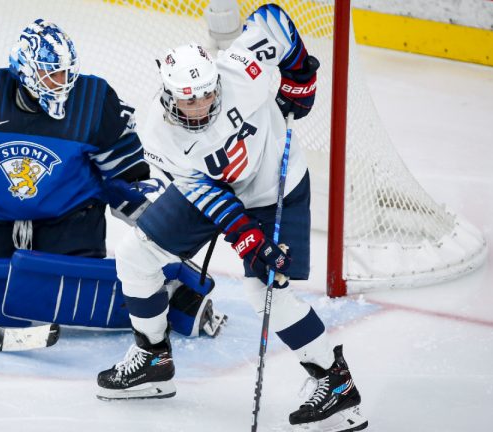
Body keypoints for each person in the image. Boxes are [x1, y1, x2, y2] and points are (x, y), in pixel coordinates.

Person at [95, 4, 367, 431]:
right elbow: (205, 193)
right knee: (135, 255)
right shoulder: (159, 135)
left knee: (267, 293)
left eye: (206, 93)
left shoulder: (240, 72)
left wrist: (300, 79)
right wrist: (247, 239)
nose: (200, 104)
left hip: (277, 182)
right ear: (168, 96)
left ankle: (335, 384)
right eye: (188, 99)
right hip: (214, 190)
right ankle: (153, 355)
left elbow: (274, 19)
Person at [0, 18, 149, 258]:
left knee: (68, 292)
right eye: (51, 73)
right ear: (26, 69)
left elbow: (126, 170)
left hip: (70, 221)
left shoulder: (92, 102)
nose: (62, 82)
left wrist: (155, 223)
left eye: (65, 72)